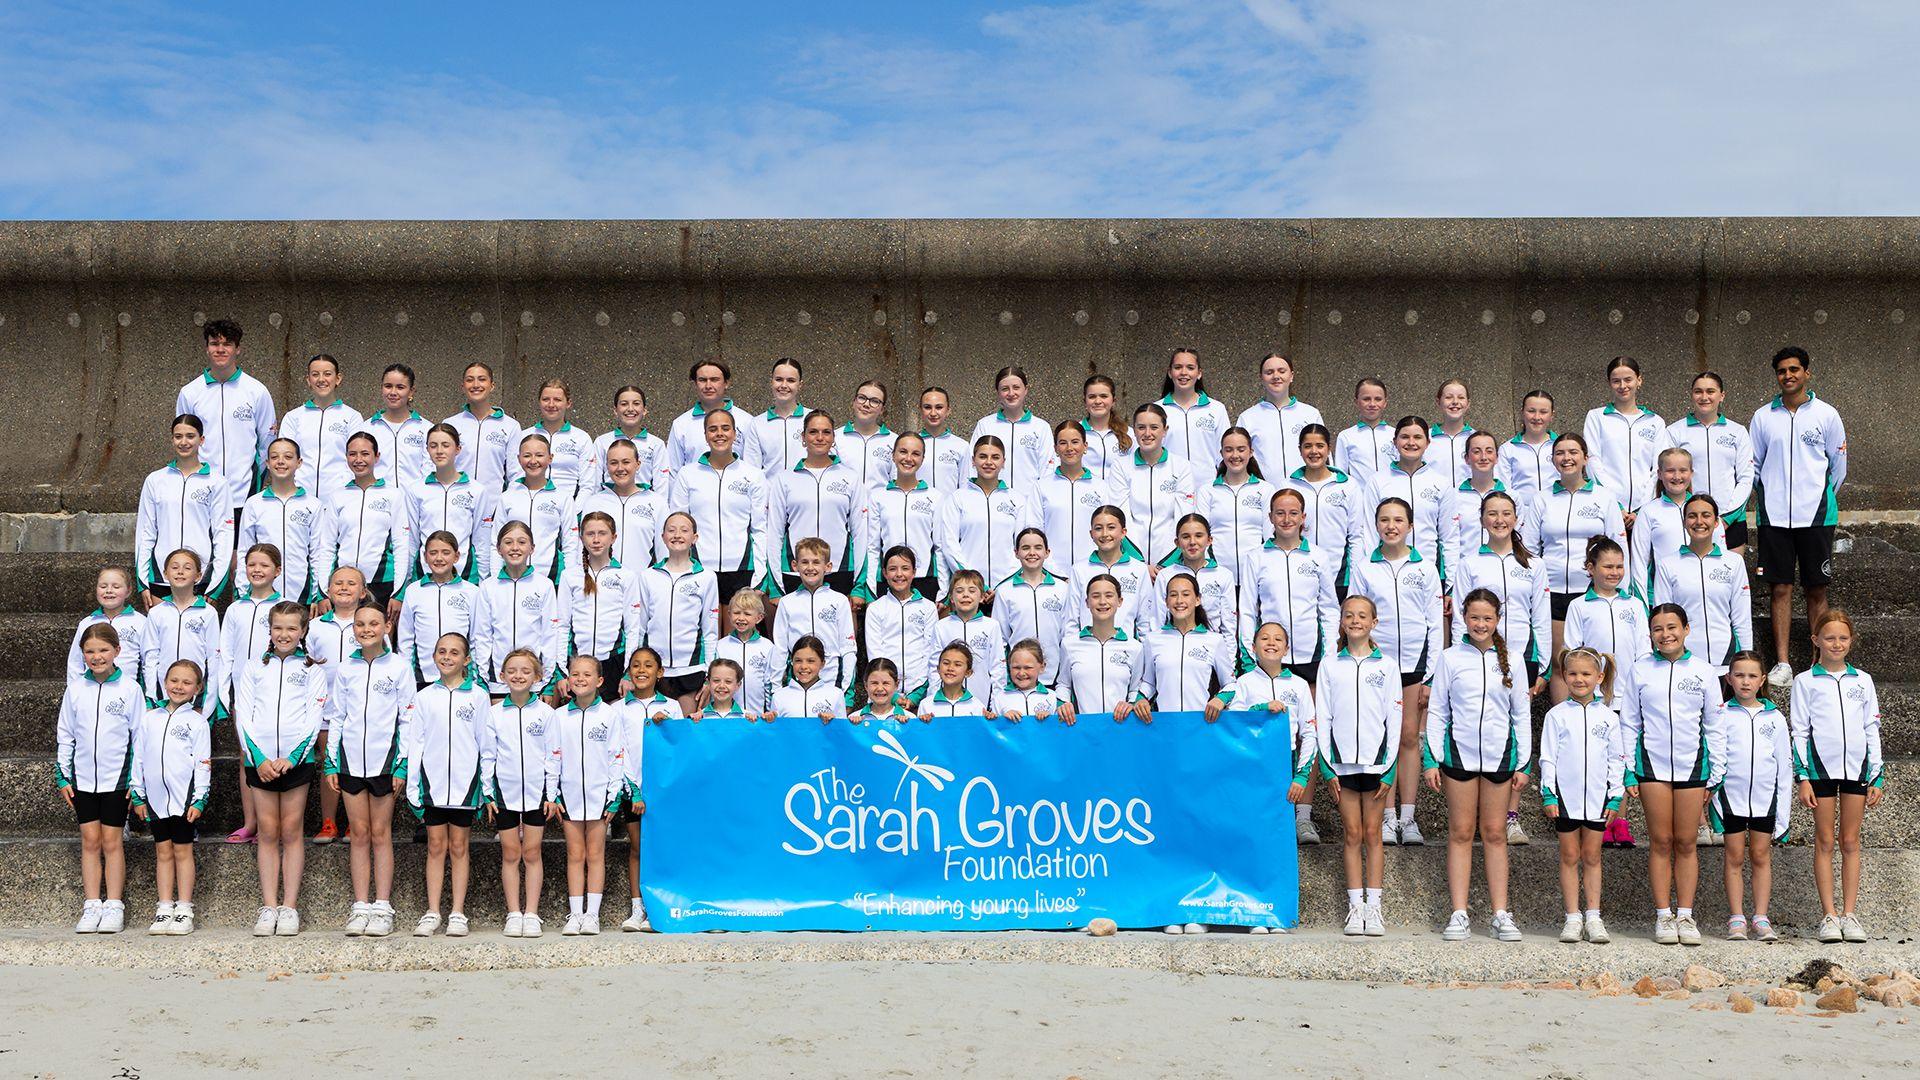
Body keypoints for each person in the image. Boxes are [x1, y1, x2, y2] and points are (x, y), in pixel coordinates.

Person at [1422, 589, 1532, 943]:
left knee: (1496, 833)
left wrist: (1524, 761)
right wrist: (1433, 758)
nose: (1480, 624)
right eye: (1474, 618)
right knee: (1461, 832)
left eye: (1487, 618)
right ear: (1463, 620)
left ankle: (1501, 913)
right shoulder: (1450, 658)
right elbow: (1437, 711)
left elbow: (1521, 714)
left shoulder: (1513, 660)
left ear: (1497, 620)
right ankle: (1459, 913)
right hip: (1459, 756)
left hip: (1500, 757)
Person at [1621, 603, 1723, 946]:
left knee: (1685, 841)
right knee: (1661, 841)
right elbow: (1630, 721)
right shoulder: (1639, 670)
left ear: (1686, 629)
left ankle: (1686, 914)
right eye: (1658, 629)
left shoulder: (1704, 671)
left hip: (1693, 766)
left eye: (1671, 627)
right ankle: (1664, 915)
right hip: (1652, 767)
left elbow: (1714, 725)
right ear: (1650, 634)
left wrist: (1716, 772)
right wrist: (1629, 769)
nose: (1665, 634)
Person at [1752, 346, 1848, 688]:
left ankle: (1818, 660)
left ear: (1807, 373)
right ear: (1777, 376)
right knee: (1780, 588)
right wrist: (1772, 498)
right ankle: (1782, 663)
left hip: (1816, 517)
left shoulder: (1827, 415)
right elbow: (1756, 467)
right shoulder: (1763, 417)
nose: (1788, 375)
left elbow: (1837, 467)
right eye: (1782, 371)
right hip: (1775, 517)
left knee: (1816, 589)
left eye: (1794, 369)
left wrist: (1818, 498)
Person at [1350, 499, 1444, 846]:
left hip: (1415, 665)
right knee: (1383, 737)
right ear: (1376, 525)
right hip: (1377, 664)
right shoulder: (1364, 567)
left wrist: (1431, 675)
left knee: (1407, 737)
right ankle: (1387, 817)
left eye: (1398, 520)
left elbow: (1435, 623)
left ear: (1410, 525)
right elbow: (1356, 616)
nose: (1391, 526)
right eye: (1385, 520)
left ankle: (1408, 817)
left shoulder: (1426, 568)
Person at [1790, 609, 1885, 943]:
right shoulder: (1804, 681)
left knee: (1850, 841)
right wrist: (1802, 776)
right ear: (1816, 640)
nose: (1836, 643)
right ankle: (1828, 916)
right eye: (1829, 637)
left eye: (1843, 637)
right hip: (1820, 770)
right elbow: (1799, 731)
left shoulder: (1863, 680)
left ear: (1851, 640)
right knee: (1825, 840)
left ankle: (1850, 914)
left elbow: (1871, 728)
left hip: (1857, 770)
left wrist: (1877, 775)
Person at [236, 601, 328, 937]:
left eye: (292, 628)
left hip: (296, 761)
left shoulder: (312, 671)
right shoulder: (253, 668)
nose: (284, 634)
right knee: (268, 833)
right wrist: (258, 758)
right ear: (269, 631)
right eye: (278, 628)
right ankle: (269, 905)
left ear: (303, 631)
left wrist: (293, 755)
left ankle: (289, 907)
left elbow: (313, 718)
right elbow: (242, 713)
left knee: (291, 832)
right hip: (259, 762)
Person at [322, 602, 414, 937]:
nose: (366, 630)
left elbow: (407, 718)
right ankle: (360, 905)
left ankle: (382, 906)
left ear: (386, 626)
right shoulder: (347, 668)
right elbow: (337, 716)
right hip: (350, 761)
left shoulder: (400, 667)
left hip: (385, 762)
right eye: (360, 624)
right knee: (358, 834)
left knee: (380, 833)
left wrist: (401, 764)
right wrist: (332, 759)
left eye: (373, 623)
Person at [1315, 595, 1402, 936]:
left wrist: (1390, 766)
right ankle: (1356, 908)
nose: (1355, 621)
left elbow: (1394, 717)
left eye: (1362, 616)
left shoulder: (1387, 666)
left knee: (1372, 834)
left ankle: (1375, 908)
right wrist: (1327, 767)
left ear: (1374, 622)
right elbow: (1322, 715)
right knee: (1352, 834)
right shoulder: (1330, 665)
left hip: (1377, 763)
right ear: (1341, 621)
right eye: (1349, 615)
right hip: (1342, 764)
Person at [403, 632, 494, 938]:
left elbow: (486, 744)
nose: (447, 657)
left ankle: (457, 912)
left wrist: (485, 785)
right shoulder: (425, 696)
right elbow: (415, 741)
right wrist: (412, 784)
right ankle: (432, 912)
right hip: (433, 785)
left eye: (454, 653)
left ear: (466, 660)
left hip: (465, 786)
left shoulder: (479, 696)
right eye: (441, 651)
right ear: (433, 656)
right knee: (435, 847)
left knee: (459, 847)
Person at [1560, 536, 1647, 851]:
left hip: (1628, 699)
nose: (1614, 572)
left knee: (1620, 758)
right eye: (1607, 566)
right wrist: (1589, 689)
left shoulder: (1633, 605)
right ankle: (1598, 820)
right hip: (1594, 699)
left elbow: (1643, 651)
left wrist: (1639, 693)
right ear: (1590, 568)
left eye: (1620, 566)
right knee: (1596, 758)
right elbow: (1572, 650)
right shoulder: (1579, 606)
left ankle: (1619, 822)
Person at [57, 624, 146, 934]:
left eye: (103, 650)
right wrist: (63, 775)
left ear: (117, 652)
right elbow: (66, 733)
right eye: (90, 651)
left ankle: (114, 906)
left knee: (112, 842)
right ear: (83, 655)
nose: (97, 657)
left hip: (117, 781)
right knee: (90, 841)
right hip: (82, 781)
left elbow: (139, 737)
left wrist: (135, 782)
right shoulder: (75, 689)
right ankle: (92, 903)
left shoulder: (130, 689)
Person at [1528, 433, 1627, 701]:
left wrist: (1622, 590)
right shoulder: (1542, 498)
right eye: (1560, 453)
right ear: (1553, 459)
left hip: (1592, 590)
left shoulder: (1604, 498)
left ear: (1585, 458)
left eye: (1573, 452)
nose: (1567, 458)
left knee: (1596, 661)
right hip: (1554, 591)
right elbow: (1529, 549)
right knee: (1563, 662)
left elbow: (1618, 545)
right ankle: (1565, 722)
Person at [1538, 647, 1624, 944]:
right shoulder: (1556, 716)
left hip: (1598, 799)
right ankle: (1572, 917)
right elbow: (1547, 757)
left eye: (1586, 674)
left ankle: (1593, 916)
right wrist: (1549, 793)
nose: (1579, 679)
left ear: (1599, 676)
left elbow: (1617, 759)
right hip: (1565, 799)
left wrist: (1616, 795)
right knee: (1569, 855)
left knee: (1592, 855)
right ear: (1563, 675)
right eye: (1572, 673)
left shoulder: (1609, 717)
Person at [1208, 621, 1318, 847]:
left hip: (1283, 764)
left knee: (1279, 829)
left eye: (1278, 639)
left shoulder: (1299, 685)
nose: (1271, 643)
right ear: (1254, 646)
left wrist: (1301, 776)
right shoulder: (1243, 683)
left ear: (1286, 648)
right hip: (1249, 765)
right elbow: (1234, 723)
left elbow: (1310, 732)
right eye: (1265, 638)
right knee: (1249, 825)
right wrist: (1262, 709)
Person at [544, 654, 627, 936]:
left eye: (587, 674)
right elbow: (552, 757)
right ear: (568, 679)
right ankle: (575, 914)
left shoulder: (609, 715)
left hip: (598, 797)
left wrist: (613, 794)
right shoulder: (558, 716)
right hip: (568, 797)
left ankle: (592, 915)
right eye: (575, 674)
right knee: (574, 855)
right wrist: (552, 794)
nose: (580, 679)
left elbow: (617, 756)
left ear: (600, 681)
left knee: (595, 855)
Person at [1714, 651, 1791, 943]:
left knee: (1760, 855)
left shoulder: (1776, 718)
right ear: (1729, 678)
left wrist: (1783, 814)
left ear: (1762, 680)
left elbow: (1784, 766)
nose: (1745, 682)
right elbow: (1717, 758)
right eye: (1739, 675)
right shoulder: (1721, 714)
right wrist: (1716, 802)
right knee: (1733, 857)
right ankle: (1736, 918)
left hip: (1764, 799)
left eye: (1751, 676)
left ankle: (1760, 917)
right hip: (1731, 799)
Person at [129, 659, 210, 935]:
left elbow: (202, 763)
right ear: (165, 682)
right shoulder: (149, 718)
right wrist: (138, 795)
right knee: (163, 852)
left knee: (183, 851)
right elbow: (138, 757)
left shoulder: (197, 723)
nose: (179, 686)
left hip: (183, 800)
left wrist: (199, 799)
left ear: (197, 688)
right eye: (174, 680)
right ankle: (164, 908)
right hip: (154, 799)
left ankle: (184, 908)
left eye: (187, 682)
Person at [174, 319, 276, 529]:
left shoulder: (257, 391)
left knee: (237, 558)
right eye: (214, 343)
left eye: (227, 344)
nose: (220, 349)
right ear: (207, 348)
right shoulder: (190, 393)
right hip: (201, 493)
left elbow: (268, 443)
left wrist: (255, 480)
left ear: (237, 349)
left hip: (243, 492)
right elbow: (183, 441)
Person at [664, 408, 767, 607]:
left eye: (725, 428)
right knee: (702, 633)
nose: (719, 433)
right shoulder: (687, 474)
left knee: (735, 636)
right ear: (705, 435)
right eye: (713, 429)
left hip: (742, 568)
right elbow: (678, 525)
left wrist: (760, 574)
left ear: (735, 434)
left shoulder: (753, 475)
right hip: (699, 567)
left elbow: (760, 528)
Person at [487, 649, 554, 939]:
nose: (518, 675)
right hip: (505, 793)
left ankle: (532, 913)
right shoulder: (493, 714)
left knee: (532, 852)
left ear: (537, 677)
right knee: (511, 853)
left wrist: (551, 793)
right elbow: (488, 756)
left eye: (526, 671)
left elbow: (553, 756)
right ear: (502, 676)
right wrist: (489, 793)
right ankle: (514, 912)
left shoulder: (547, 713)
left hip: (537, 794)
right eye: (512, 670)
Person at [135, 415, 235, 604]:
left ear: (201, 440)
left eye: (190, 436)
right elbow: (145, 532)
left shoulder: (217, 483)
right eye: (178, 436)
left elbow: (223, 533)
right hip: (161, 575)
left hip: (201, 575)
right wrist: (143, 581)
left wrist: (215, 585)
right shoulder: (155, 480)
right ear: (172, 439)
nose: (184, 442)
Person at [766, 411, 868, 597]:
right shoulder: (785, 479)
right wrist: (775, 586)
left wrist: (859, 585)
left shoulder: (850, 478)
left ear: (833, 438)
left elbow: (860, 532)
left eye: (826, 432)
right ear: (803, 437)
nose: (820, 438)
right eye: (813, 432)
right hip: (795, 570)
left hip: (840, 569)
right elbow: (774, 532)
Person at [617, 647, 683, 930]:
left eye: (648, 665)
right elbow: (617, 753)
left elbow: (679, 747)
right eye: (635, 665)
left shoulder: (672, 706)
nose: (641, 670)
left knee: (664, 848)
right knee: (637, 848)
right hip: (634, 792)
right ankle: (637, 907)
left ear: (660, 672)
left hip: (665, 791)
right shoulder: (616, 709)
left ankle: (662, 907)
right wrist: (634, 791)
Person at [218, 545, 280, 843]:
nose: (257, 570)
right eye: (251, 564)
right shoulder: (235, 609)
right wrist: (224, 689)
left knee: (272, 752)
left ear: (277, 571)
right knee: (247, 754)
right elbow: (226, 653)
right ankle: (251, 821)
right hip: (243, 693)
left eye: (264, 565)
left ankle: (273, 824)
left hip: (273, 692)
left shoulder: (284, 607)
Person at [1652, 494, 1753, 676]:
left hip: (1726, 662)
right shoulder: (1667, 564)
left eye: (1706, 515)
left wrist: (1746, 659)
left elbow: (1742, 618)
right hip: (1684, 661)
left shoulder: (1734, 562)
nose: (1699, 521)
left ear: (1716, 522)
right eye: (1692, 516)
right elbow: (1663, 619)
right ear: (1684, 522)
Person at [635, 512, 720, 714]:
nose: (677, 535)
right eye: (671, 530)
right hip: (655, 669)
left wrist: (709, 674)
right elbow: (639, 626)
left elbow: (709, 631)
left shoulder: (706, 577)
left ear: (695, 538)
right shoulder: (648, 576)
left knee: (686, 730)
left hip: (691, 669)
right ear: (663, 536)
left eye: (684, 530)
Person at [941, 435, 1039, 605]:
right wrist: (975, 583)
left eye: (995, 457)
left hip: (1007, 588)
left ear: (1004, 461)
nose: (988, 462)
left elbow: (1023, 545)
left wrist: (1003, 584)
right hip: (968, 590)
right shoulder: (957, 498)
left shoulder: (1017, 500)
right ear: (973, 460)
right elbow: (950, 545)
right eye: (982, 456)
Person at [1583, 357, 1669, 551]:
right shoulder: (1596, 417)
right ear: (1609, 383)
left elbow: (1659, 468)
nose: (1623, 386)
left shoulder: (1655, 422)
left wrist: (1642, 508)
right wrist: (1616, 506)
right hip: (1608, 509)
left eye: (1628, 379)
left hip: (1645, 511)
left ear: (1639, 380)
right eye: (1616, 381)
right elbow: (1593, 462)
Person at [1668, 371, 1754, 556]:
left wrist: (1727, 518)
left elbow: (1746, 477)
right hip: (1691, 520)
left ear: (1721, 395)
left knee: (1730, 580)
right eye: (1698, 391)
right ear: (1692, 395)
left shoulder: (1737, 432)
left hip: (1730, 520)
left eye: (1710, 391)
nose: (1704, 397)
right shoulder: (1674, 431)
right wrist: (1688, 514)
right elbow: (1669, 477)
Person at [477, 521, 566, 697]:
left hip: (535, 680)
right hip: (498, 680)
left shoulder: (544, 585)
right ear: (498, 548)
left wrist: (547, 680)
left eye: (522, 542)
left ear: (532, 548)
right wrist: (483, 676)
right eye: (508, 542)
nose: (515, 548)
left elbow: (549, 635)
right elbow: (482, 636)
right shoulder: (488, 587)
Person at [319, 432, 405, 609]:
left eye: (365, 454)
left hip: (382, 582)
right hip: (344, 584)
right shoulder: (337, 496)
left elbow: (401, 545)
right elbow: (327, 546)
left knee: (378, 636)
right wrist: (322, 591)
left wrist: (398, 592)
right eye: (352, 454)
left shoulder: (393, 495)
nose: (358, 459)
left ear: (377, 456)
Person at [404, 423, 499, 584]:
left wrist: (484, 581)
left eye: (445, 445)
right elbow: (411, 539)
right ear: (427, 449)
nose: (439, 451)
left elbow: (482, 541)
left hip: (466, 574)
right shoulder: (416, 490)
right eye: (433, 446)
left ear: (458, 449)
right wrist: (405, 582)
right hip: (425, 572)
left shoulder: (477, 490)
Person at [1139, 573, 1236, 726]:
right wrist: (1140, 699)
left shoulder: (1214, 640)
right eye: (1173, 595)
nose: (1179, 601)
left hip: (1201, 726)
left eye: (1186, 594)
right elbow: (1149, 683)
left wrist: (1220, 699)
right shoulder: (1153, 639)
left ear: (1197, 600)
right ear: (1166, 601)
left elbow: (1230, 684)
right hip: (1165, 726)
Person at [395, 531, 490, 686]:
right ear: (425, 556)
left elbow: (477, 637)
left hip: (462, 677)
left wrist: (479, 676)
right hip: (422, 677)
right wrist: (407, 676)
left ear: (457, 556)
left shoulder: (472, 591)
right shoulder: (413, 591)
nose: (439, 558)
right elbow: (405, 638)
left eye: (446, 553)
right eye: (433, 553)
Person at [238, 437, 325, 605]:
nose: (281, 462)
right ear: (268, 463)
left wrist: (317, 595)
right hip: (261, 595)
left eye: (288, 457)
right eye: (275, 457)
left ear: (299, 462)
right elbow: (244, 551)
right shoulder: (254, 504)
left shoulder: (313, 505)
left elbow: (318, 554)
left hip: (302, 595)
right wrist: (243, 591)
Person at [1629, 447, 1722, 600]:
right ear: (1659, 474)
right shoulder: (1648, 511)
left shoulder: (1706, 509)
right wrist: (1643, 606)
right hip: (1664, 596)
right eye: (1670, 470)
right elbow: (1639, 563)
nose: (1677, 476)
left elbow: (1721, 553)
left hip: (1703, 594)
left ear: (1691, 473)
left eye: (1683, 470)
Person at [1038, 419, 1128, 576]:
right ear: (1056, 449)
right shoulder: (1041, 487)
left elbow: (1109, 531)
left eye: (1075, 442)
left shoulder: (1101, 487)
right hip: (1050, 576)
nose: (1069, 448)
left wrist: (1094, 568)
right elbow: (1035, 532)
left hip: (1093, 573)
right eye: (1063, 443)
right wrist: (1053, 572)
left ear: (1085, 446)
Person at [859, 432, 942, 601]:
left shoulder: (935, 497)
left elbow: (940, 546)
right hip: (889, 579)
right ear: (893, 455)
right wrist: (871, 586)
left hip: (924, 578)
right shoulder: (878, 496)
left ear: (923, 458)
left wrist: (943, 589)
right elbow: (873, 546)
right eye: (903, 452)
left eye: (916, 453)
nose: (909, 458)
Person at [1286, 423, 1367, 592]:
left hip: (1340, 576)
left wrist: (1355, 579)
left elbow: (1356, 535)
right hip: (1298, 573)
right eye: (1308, 446)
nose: (1314, 451)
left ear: (1329, 449)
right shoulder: (1287, 486)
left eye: (1320, 446)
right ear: (1300, 450)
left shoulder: (1348, 485)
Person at [1363, 417, 1449, 573]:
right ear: (1395, 441)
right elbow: (1369, 532)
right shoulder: (1377, 481)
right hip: (1386, 570)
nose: (1411, 442)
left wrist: (1449, 584)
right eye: (1404, 437)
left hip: (1429, 572)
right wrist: (1371, 571)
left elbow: (1449, 537)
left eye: (1417, 437)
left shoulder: (1441, 483)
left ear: (1427, 443)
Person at [1055, 575, 1146, 723]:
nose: (1102, 602)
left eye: (1109, 596)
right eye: (1095, 596)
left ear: (1120, 601)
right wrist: (1063, 703)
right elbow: (1064, 684)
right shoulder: (1070, 644)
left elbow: (1135, 689)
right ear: (1087, 602)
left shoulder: (1134, 647)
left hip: (1121, 728)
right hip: (1082, 730)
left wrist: (1130, 704)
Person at [770, 537, 858, 689]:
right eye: (804, 562)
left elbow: (848, 648)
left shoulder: (840, 600)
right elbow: (780, 649)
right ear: (794, 565)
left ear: (828, 566)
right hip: (797, 683)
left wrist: (847, 692)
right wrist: (775, 688)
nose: (810, 567)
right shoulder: (787, 602)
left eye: (816, 562)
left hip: (832, 680)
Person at [1151, 515, 1241, 659]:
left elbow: (1228, 627)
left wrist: (1228, 663)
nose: (1192, 542)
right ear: (1177, 542)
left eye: (1199, 536)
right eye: (1186, 537)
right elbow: (1157, 622)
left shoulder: (1224, 575)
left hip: (1210, 654)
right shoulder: (1165, 575)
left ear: (1209, 540)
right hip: (1173, 653)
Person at [144, 549, 223, 715]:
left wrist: (207, 705)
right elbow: (150, 657)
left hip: (196, 699)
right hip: (163, 696)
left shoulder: (208, 613)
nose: (180, 572)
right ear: (165, 574)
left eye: (187, 568)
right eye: (174, 567)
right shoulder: (157, 613)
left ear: (198, 576)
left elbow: (214, 660)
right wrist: (152, 696)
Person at [497, 433, 582, 584]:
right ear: (518, 459)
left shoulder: (563, 497)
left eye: (540, 455)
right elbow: (495, 542)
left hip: (551, 577)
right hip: (511, 577)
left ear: (550, 458)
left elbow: (570, 543)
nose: (533, 461)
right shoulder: (507, 497)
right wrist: (496, 577)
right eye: (527, 455)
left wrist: (569, 581)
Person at [863, 549, 940, 704]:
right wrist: (894, 695)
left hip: (921, 693)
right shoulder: (875, 608)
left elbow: (931, 652)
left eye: (905, 568)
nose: (899, 574)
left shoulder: (928, 607)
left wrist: (917, 695)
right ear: (884, 573)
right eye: (892, 569)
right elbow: (875, 654)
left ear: (914, 572)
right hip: (884, 693)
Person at [281, 354, 363, 499]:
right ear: (308, 380)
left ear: (337, 379)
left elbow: (357, 457)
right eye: (315, 374)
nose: (321, 380)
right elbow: (284, 459)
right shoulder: (293, 418)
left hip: (340, 498)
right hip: (300, 498)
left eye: (327, 374)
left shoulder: (352, 417)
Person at [1124, 404, 1198, 567]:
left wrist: (1164, 565)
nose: (1147, 433)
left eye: (1154, 427)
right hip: (1132, 562)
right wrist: (1140, 565)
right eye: (1141, 427)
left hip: (1171, 562)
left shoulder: (1181, 466)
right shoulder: (1121, 466)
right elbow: (1120, 518)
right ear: (1134, 430)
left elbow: (1183, 519)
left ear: (1165, 430)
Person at [579, 437, 667, 572]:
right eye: (613, 463)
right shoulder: (593, 503)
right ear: (606, 466)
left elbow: (664, 552)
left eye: (626, 462)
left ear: (638, 464)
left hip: (640, 586)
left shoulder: (657, 503)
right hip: (601, 585)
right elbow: (581, 548)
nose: (620, 468)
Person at [1207, 426, 1280, 585]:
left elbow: (1270, 536)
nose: (1235, 455)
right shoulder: (1207, 491)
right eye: (1229, 450)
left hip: (1255, 577)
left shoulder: (1266, 489)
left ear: (1251, 452)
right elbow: (1202, 537)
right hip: (1218, 577)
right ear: (1221, 454)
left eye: (1241, 449)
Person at [1068, 506, 1154, 638]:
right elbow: (1071, 620)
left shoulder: (1139, 569)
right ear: (1091, 534)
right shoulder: (1079, 569)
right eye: (1098, 528)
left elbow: (1145, 621)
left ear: (1123, 532)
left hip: (1126, 651)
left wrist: (1142, 651)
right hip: (1087, 648)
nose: (1104, 534)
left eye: (1111, 527)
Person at [664, 360, 763, 474]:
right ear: (695, 383)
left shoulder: (747, 421)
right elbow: (673, 471)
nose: (708, 386)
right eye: (702, 380)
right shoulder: (681, 424)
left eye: (714, 380)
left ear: (726, 383)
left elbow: (753, 469)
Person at [1238, 353, 1325, 482]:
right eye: (1269, 372)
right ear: (1261, 377)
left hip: (1304, 490)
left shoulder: (1311, 414)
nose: (1276, 376)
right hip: (1263, 494)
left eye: (1282, 371)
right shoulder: (1247, 417)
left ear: (1291, 376)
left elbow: (1325, 456)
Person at [67, 565, 153, 689]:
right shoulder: (86, 623)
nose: (109, 590)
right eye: (103, 586)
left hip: (127, 692)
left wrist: (149, 696)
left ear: (128, 591)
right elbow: (75, 663)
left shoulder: (140, 622)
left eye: (116, 586)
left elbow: (148, 660)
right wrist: (74, 691)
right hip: (91, 690)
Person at [968, 366, 1054, 489]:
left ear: (1026, 390)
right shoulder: (985, 425)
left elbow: (1047, 469)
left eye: (1016, 387)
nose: (1011, 393)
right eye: (1005, 389)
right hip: (993, 500)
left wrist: (1039, 499)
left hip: (1030, 502)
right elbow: (973, 466)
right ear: (998, 392)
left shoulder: (1041, 427)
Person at [512, 378, 596, 501]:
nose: (551, 405)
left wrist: (574, 512)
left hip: (569, 506)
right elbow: (515, 476)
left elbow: (588, 485)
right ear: (539, 402)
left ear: (568, 403)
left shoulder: (581, 438)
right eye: (546, 399)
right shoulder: (524, 436)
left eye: (557, 400)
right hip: (529, 503)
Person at [443, 361, 521, 492]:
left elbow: (516, 473)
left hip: (494, 506)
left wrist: (506, 504)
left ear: (492, 385)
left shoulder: (510, 426)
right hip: (456, 505)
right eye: (470, 380)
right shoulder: (450, 424)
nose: (475, 385)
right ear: (463, 387)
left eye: (482, 379)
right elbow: (441, 467)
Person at [1439, 431, 1507, 579]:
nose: (1483, 457)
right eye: (1476, 452)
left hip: (1502, 574)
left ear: (1497, 458)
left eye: (1489, 451)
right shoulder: (1453, 496)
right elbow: (1450, 543)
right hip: (1465, 576)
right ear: (1467, 458)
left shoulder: (1511, 496)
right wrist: (1452, 584)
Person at [358, 363, 431, 494]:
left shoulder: (426, 429)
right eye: (388, 386)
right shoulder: (366, 429)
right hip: (377, 503)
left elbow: (430, 470)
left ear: (411, 391)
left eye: (400, 387)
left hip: (414, 505)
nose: (393, 392)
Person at [1159, 347, 1231, 474]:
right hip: (1171, 488)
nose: (1183, 372)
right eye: (1177, 367)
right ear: (1170, 373)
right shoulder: (1157, 410)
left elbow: (1225, 451)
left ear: (1199, 373)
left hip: (1208, 488)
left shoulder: (1216, 409)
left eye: (1190, 368)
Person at [592, 385, 670, 490]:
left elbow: (662, 486)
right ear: (615, 410)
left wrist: (658, 505)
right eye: (624, 404)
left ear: (644, 410)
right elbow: (595, 483)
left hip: (645, 503)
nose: (630, 409)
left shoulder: (656, 444)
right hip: (609, 501)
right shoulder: (601, 442)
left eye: (636, 404)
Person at [711, 589, 777, 714]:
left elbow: (770, 683)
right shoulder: (721, 646)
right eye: (736, 613)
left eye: (747, 614)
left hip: (758, 716)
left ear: (759, 617)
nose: (741, 618)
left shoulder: (767, 647)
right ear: (729, 614)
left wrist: (769, 711)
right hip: (728, 717)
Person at [751, 359, 813, 476]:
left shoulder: (813, 419)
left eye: (791, 380)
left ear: (800, 385)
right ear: (771, 382)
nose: (784, 385)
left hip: (805, 492)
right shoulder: (757, 423)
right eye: (779, 379)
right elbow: (752, 470)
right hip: (769, 494)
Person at [835, 380, 897, 491]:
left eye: (875, 401)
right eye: (862, 398)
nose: (866, 404)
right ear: (853, 402)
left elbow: (896, 482)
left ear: (882, 409)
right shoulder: (835, 438)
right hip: (846, 507)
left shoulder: (894, 441)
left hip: (879, 507)